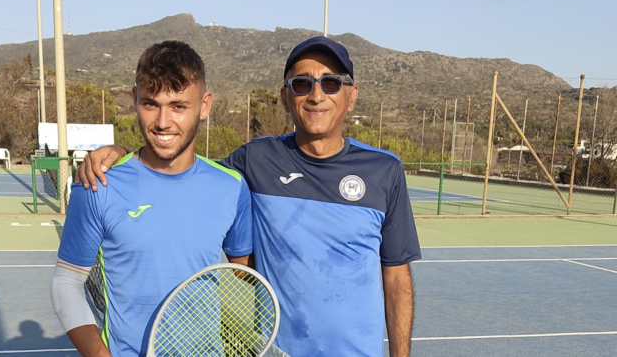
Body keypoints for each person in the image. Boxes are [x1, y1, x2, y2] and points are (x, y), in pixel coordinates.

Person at [76, 36, 422, 357]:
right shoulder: (257, 159)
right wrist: (120, 155)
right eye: (301, 84)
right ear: (286, 96)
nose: (316, 95)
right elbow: (181, 165)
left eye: (331, 82)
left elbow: (397, 281)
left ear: (352, 95)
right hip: (277, 351)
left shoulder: (384, 170)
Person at [51, 41, 253, 357]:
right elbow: (65, 284)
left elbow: (245, 271)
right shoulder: (98, 183)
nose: (162, 122)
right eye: (150, 103)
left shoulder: (232, 186)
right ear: (135, 99)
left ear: (204, 105)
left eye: (178, 106)